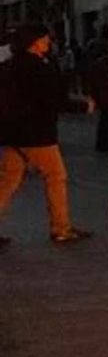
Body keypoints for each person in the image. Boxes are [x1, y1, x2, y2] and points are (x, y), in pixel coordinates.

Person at [0, 25, 92, 247]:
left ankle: (61, 226)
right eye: (44, 39)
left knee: (8, 181)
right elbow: (51, 100)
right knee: (55, 176)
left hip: (13, 132)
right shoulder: (41, 67)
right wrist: (81, 106)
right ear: (35, 42)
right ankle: (61, 228)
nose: (48, 42)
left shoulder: (9, 66)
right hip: (38, 133)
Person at [84, 23, 108, 153]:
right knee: (107, 116)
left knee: (105, 117)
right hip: (107, 85)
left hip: (99, 85)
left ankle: (102, 142)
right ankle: (104, 143)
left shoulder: (93, 45)